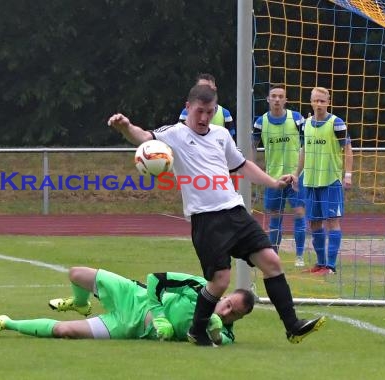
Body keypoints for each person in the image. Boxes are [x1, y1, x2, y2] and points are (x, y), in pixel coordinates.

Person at [107, 84, 326, 346]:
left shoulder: (221, 135)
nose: (204, 118)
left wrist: (274, 183)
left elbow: (242, 165)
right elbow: (143, 137)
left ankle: (292, 326)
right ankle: (197, 330)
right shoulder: (174, 134)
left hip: (235, 212)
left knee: (272, 262)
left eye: (210, 112)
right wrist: (125, 127)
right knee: (220, 281)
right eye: (200, 111)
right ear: (188, 108)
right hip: (206, 220)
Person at [0, 267, 254, 345]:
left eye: (233, 313)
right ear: (225, 295)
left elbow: (219, 340)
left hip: (127, 327)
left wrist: (213, 329)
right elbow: (155, 279)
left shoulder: (225, 334)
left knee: (63, 331)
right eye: (228, 304)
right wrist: (159, 316)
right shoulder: (198, 288)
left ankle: (5, 322)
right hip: (133, 296)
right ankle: (81, 304)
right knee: (76, 274)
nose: (226, 311)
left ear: (238, 320)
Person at [298, 87, 353, 275]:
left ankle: (331, 266)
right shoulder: (305, 124)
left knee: (332, 221)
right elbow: (303, 150)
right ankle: (320, 264)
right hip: (311, 181)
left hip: (331, 180)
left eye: (322, 101)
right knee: (314, 223)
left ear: (328, 102)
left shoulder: (336, 123)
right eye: (316, 100)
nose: (319, 104)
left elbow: (347, 148)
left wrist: (348, 175)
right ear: (311, 101)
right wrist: (297, 174)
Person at [252, 84, 306, 267]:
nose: (276, 99)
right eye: (273, 96)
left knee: (299, 213)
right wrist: (254, 170)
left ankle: (299, 256)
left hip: (295, 176)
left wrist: (299, 171)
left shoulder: (297, 118)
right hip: (273, 178)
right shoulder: (261, 121)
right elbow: (253, 146)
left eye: (280, 96)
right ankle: (274, 255)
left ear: (285, 100)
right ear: (268, 99)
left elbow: (306, 146)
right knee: (275, 217)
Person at [178, 73, 236, 141]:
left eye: (209, 112)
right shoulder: (185, 113)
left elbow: (231, 142)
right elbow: (179, 137)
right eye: (201, 88)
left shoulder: (225, 114)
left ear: (215, 89)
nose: (204, 118)